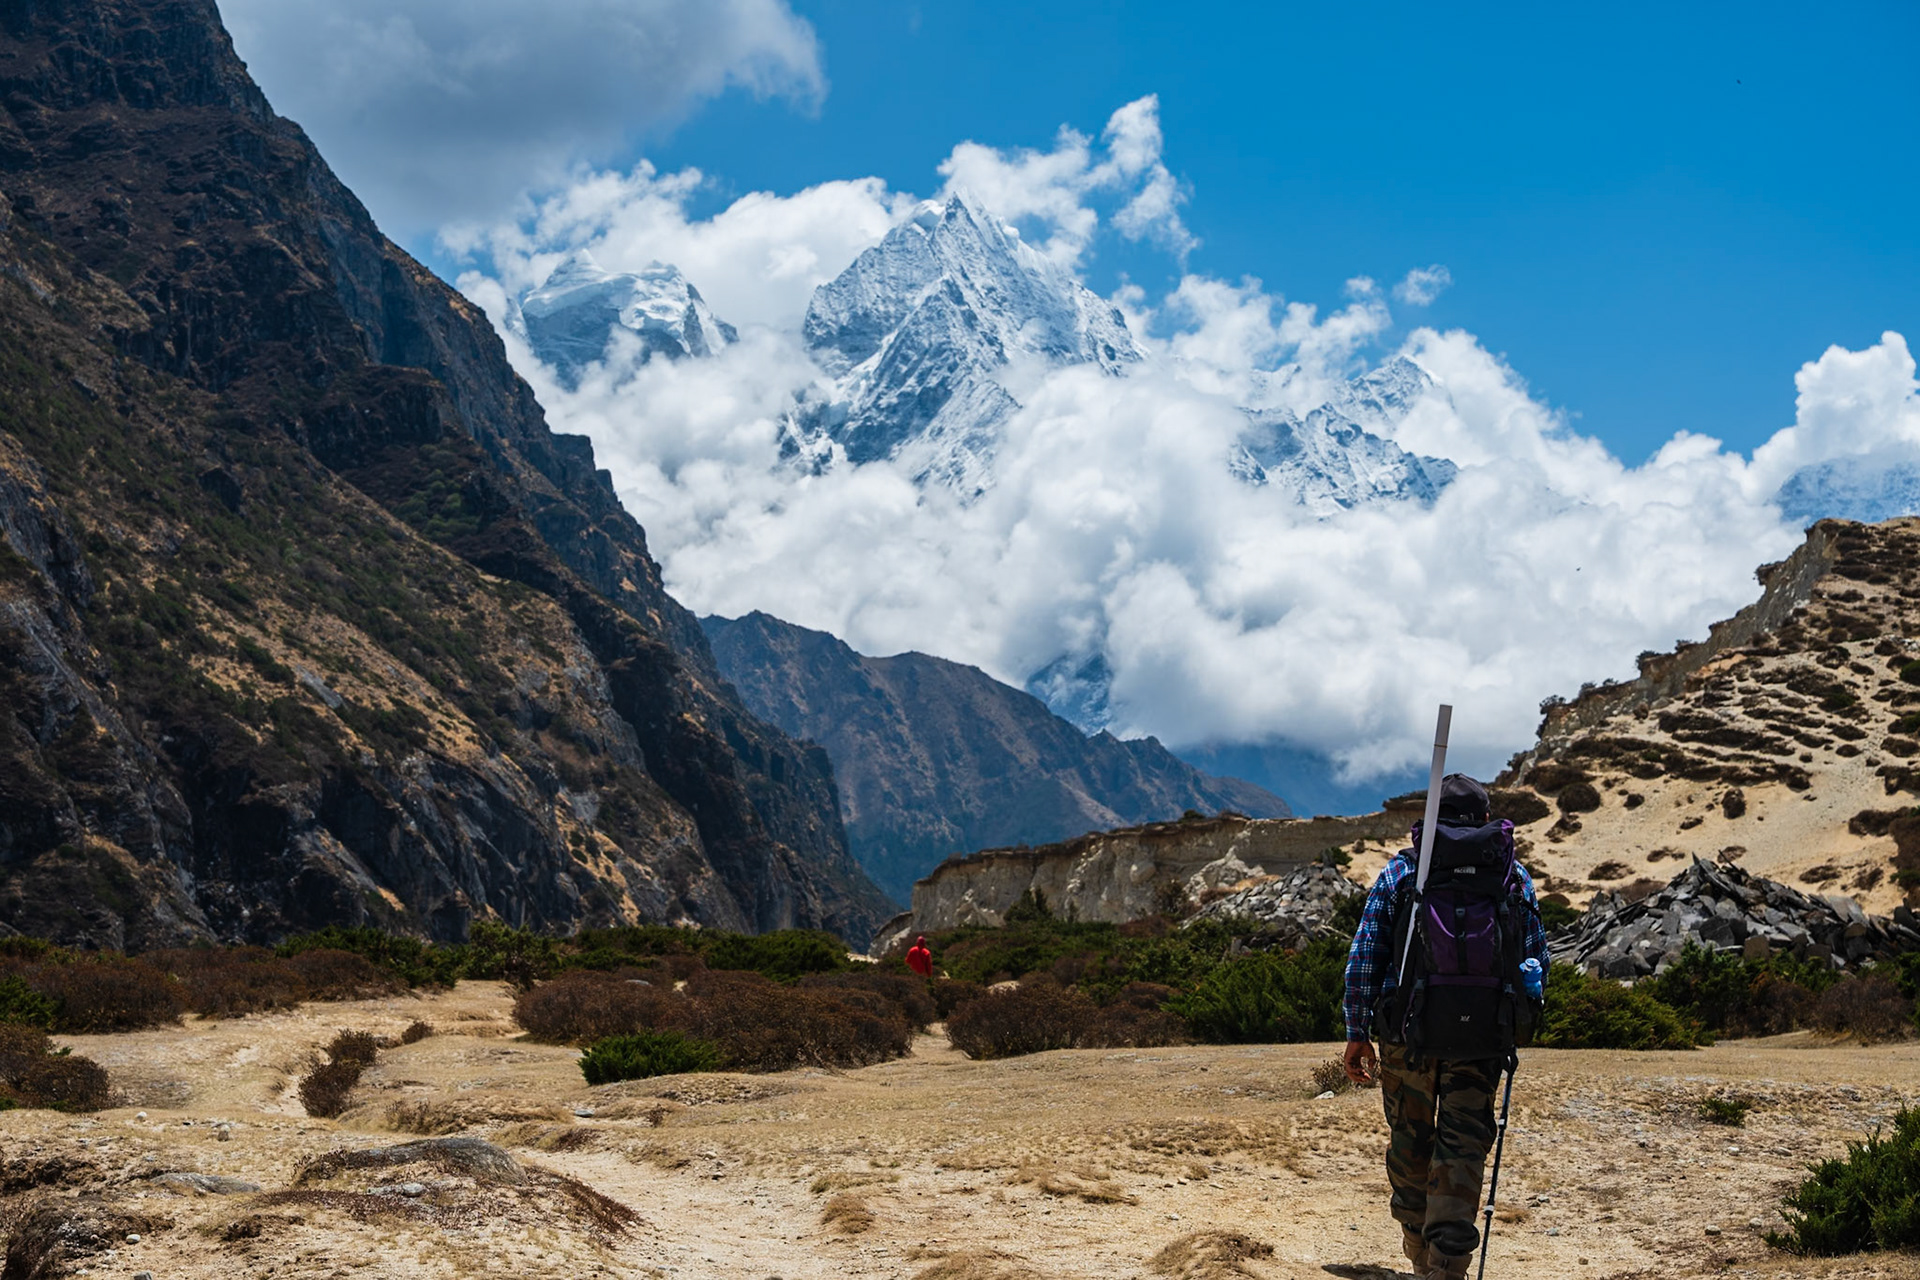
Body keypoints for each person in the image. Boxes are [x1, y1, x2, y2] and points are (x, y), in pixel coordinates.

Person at [1342, 773, 1548, 1280]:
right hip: (1482, 1037)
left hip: (1406, 1035)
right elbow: (1536, 957)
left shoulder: (1403, 872)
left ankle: (1417, 1255)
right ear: (1483, 818)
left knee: (1410, 1140)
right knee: (1464, 1145)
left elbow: (1365, 956)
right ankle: (1448, 1266)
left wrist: (1356, 1029)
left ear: (1431, 818)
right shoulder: (1511, 875)